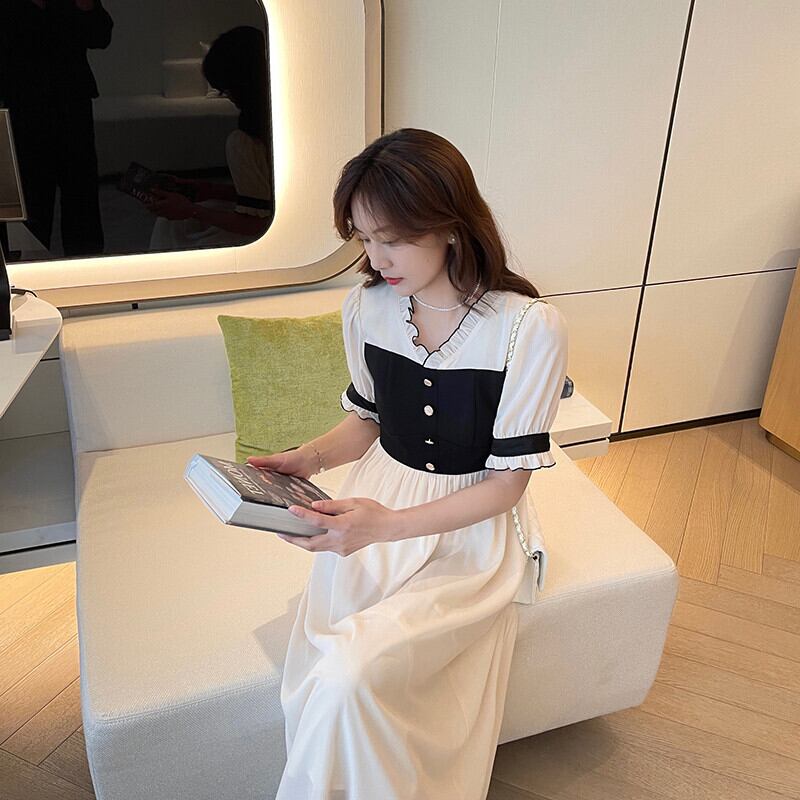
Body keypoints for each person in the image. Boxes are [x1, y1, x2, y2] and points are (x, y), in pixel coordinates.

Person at [249, 128, 569, 799]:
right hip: (377, 497)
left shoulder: (526, 327)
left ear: (449, 224)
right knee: (333, 675)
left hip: (467, 528)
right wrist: (307, 458)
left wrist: (384, 526)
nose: (376, 258)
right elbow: (369, 420)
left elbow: (507, 486)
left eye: (392, 238)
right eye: (364, 238)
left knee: (349, 673)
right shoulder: (367, 307)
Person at [0, 0, 113, 258]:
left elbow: (101, 35)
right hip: (24, 110)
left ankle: (86, 267)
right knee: (29, 200)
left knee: (81, 196)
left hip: (71, 107)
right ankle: (26, 268)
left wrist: (85, 6)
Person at [147, 25, 273, 251]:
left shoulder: (244, 143)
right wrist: (210, 189)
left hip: (263, 234)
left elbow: (257, 223)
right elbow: (264, 197)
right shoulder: (282, 125)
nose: (227, 96)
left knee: (171, 228)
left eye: (225, 89)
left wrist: (190, 210)